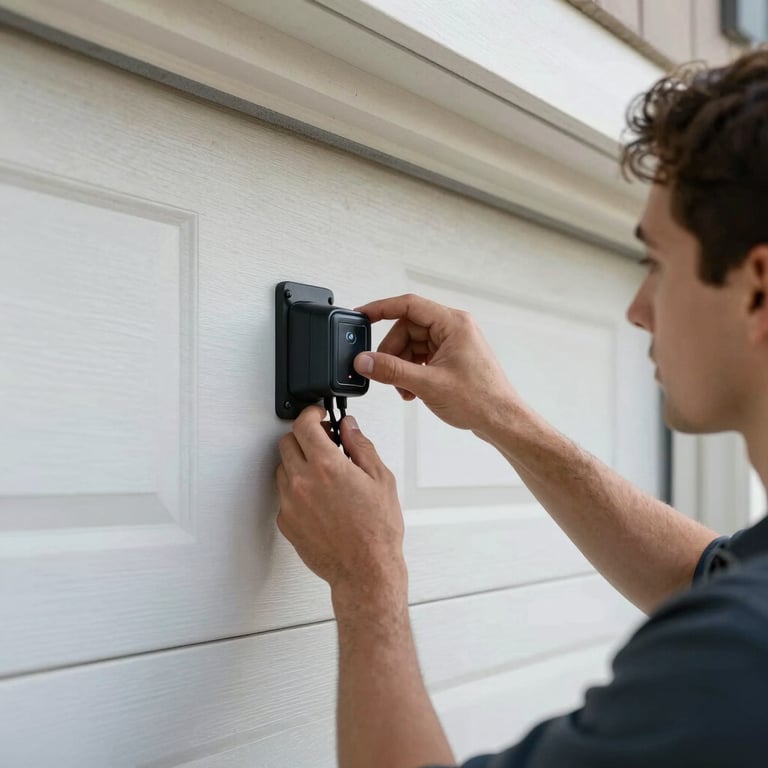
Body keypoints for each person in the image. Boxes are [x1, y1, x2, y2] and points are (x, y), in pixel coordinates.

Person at [274, 47, 768, 768]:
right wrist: (501, 416)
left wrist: (367, 580)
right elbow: (702, 572)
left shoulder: (736, 659)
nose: (638, 310)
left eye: (657, 264)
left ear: (757, 289)